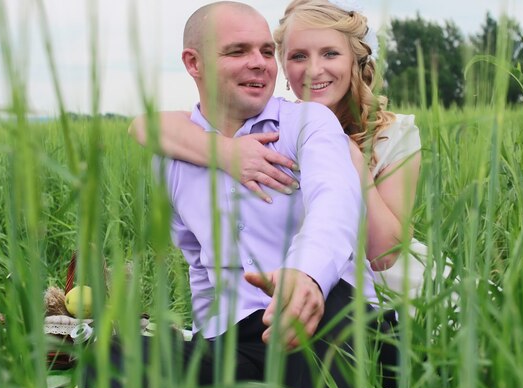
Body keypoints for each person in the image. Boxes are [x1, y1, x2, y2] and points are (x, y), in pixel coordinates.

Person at [84, 2, 394, 388]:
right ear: (194, 63)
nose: (259, 64)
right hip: (237, 343)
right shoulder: (172, 158)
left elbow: (334, 201)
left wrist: (307, 277)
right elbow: (198, 261)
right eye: (238, 51)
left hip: (328, 316)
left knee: (331, 307)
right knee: (115, 354)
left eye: (267, 52)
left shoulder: (309, 123)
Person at [130, 0, 433, 304]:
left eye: (330, 53)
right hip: (291, 288)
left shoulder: (395, 134)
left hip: (390, 290)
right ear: (284, 66)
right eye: (299, 56)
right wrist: (225, 152)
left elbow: (384, 255)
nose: (314, 69)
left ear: (355, 61)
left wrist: (348, 155)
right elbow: (143, 126)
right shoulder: (276, 126)